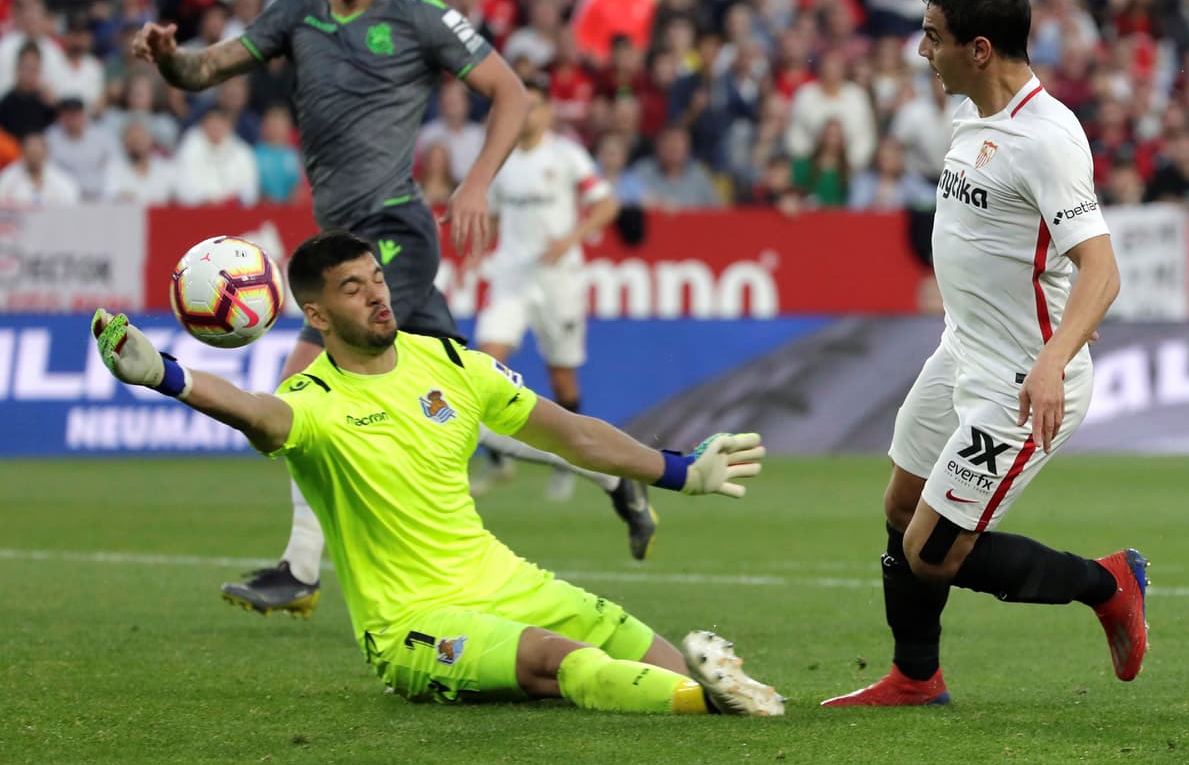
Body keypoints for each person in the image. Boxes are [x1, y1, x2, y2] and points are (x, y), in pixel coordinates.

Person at [130, 0, 654, 617]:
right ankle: (612, 476)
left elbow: (511, 91)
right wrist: (168, 57)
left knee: (301, 388)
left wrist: (475, 183)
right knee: (457, 401)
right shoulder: (296, 15)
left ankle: (300, 567)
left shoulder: (418, 16)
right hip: (340, 235)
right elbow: (201, 71)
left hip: (391, 233)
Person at [89, 230, 785, 718]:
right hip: (414, 624)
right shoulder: (313, 400)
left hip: (504, 580)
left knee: (641, 645)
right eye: (353, 289)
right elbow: (258, 414)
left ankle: (733, 694)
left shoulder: (450, 362)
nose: (377, 296)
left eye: (378, 279)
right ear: (317, 314)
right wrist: (168, 377)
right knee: (564, 662)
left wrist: (680, 472)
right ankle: (708, 705)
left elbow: (574, 433)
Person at [820, 0, 1148, 709]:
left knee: (931, 550)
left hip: (1021, 382)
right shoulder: (973, 115)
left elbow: (1101, 270)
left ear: (978, 48)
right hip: (961, 352)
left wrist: (1053, 358)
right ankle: (915, 678)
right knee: (901, 509)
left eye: (932, 37)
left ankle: (1108, 585)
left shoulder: (1046, 139)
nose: (920, 51)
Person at [476, 76, 621, 504]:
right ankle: (497, 459)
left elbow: (606, 204)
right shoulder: (500, 158)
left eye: (534, 106)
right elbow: (495, 217)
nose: (527, 115)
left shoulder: (566, 155)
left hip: (558, 279)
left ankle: (568, 462)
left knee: (562, 376)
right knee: (484, 363)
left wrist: (570, 239)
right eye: (520, 106)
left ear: (548, 112)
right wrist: (477, 251)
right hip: (512, 277)